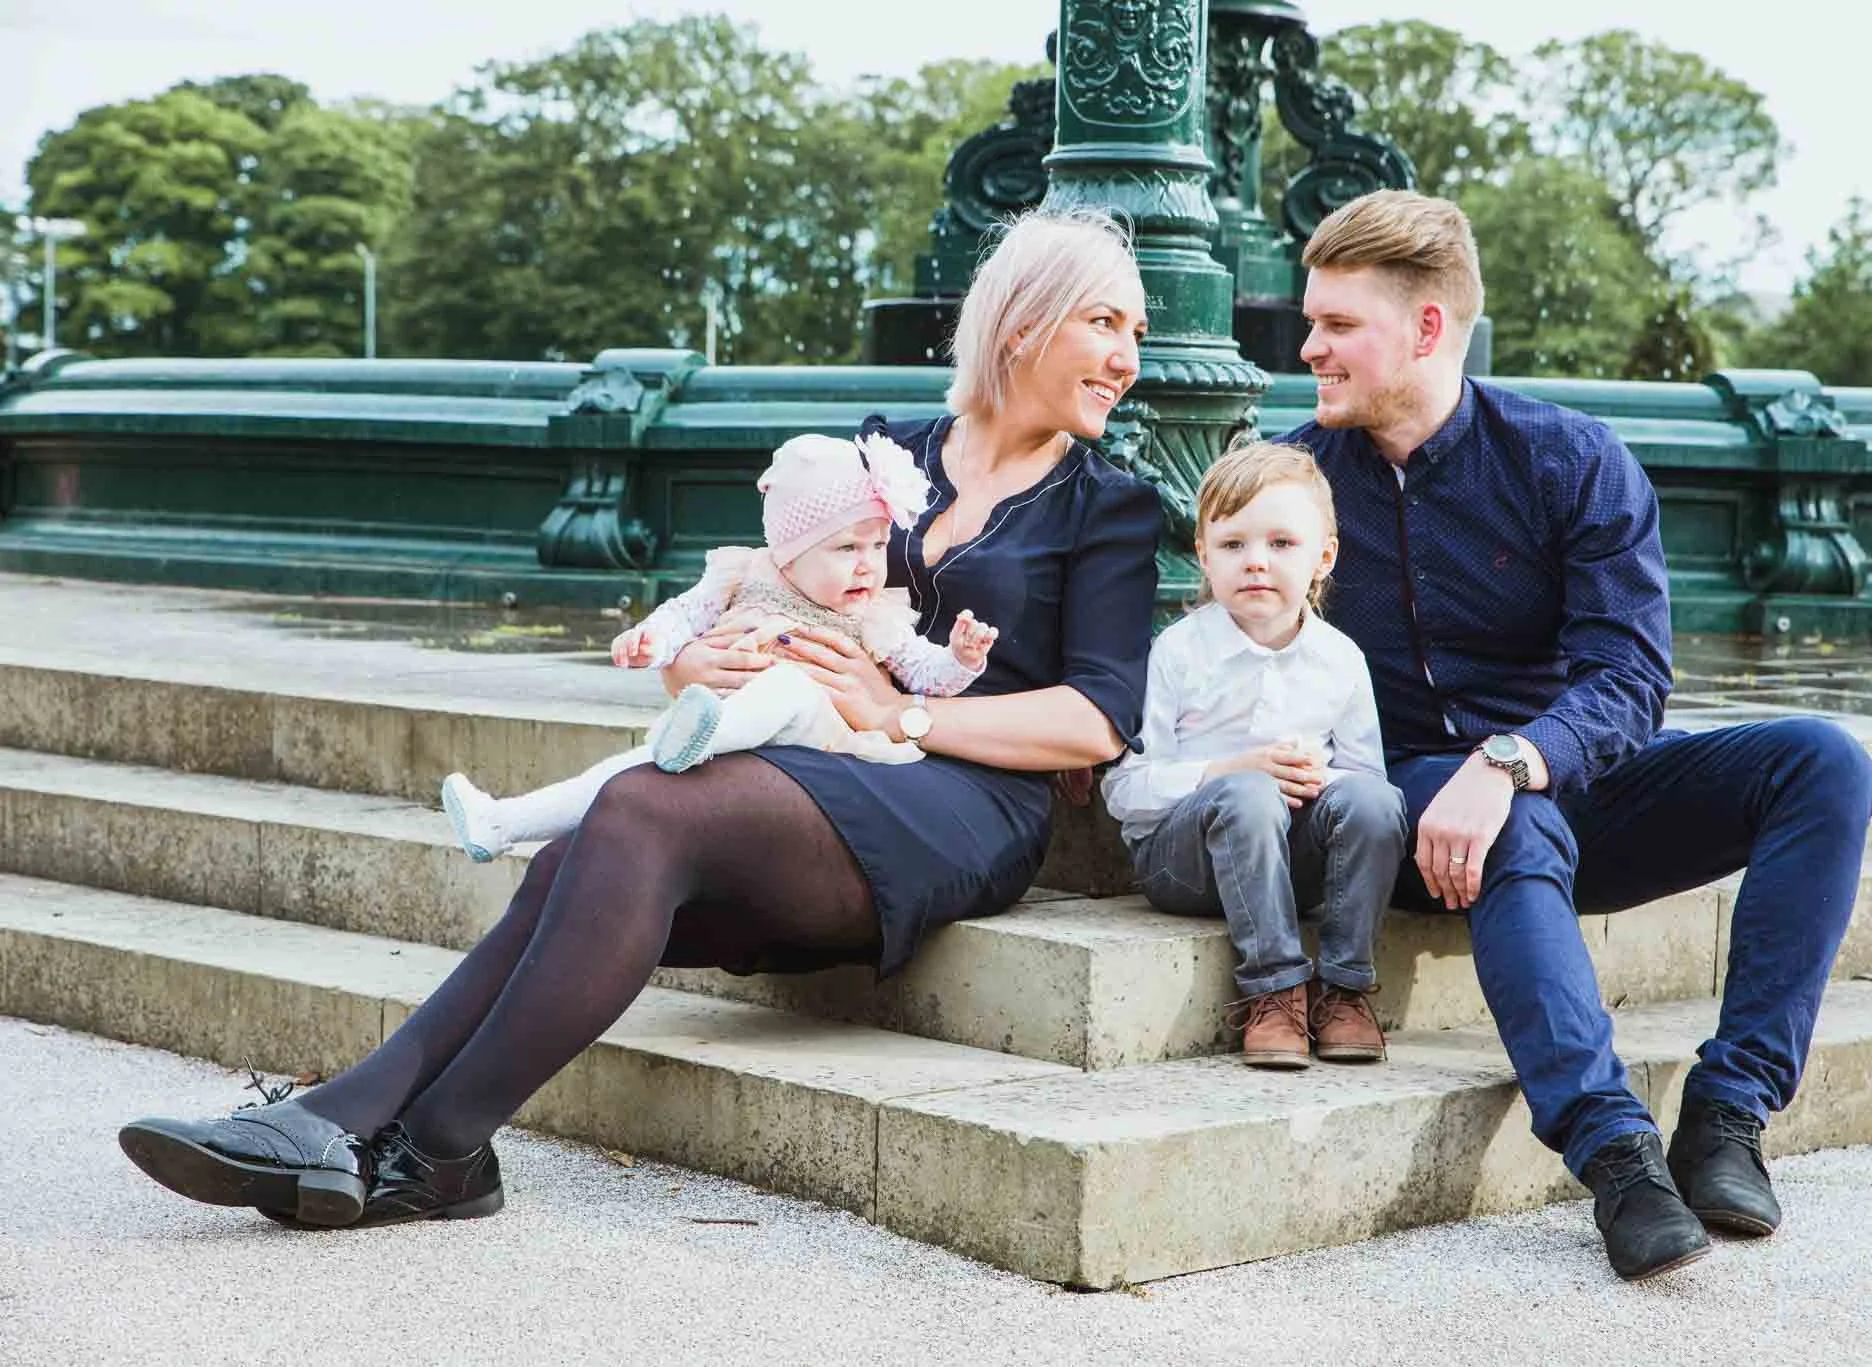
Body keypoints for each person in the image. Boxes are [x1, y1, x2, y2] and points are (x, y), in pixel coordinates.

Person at [115, 207, 1163, 1230]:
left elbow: (1097, 720)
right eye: (1105, 323)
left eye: (1138, 332)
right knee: (571, 855)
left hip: (962, 803)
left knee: (639, 809)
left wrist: (902, 711)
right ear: (1023, 323)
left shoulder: (1108, 504)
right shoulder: (886, 449)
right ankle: (372, 1129)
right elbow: (771, 589)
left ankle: (417, 1138)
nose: (1127, 358)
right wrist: (698, 662)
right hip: (806, 751)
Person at [1282, 189, 1872, 1281]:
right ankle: (1616, 1157)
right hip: (1399, 806)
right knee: (1514, 828)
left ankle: (1728, 1113)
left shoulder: (1568, 459)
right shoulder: (1293, 483)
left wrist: (1511, 759)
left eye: (1335, 324)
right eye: (1310, 320)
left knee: (1823, 762)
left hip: (1555, 778)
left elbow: (1629, 678)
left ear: (1426, 327)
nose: (1307, 346)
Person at [439, 430, 1000, 863]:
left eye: (877, 546)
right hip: (726, 726)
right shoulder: (744, 574)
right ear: (790, 552)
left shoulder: (874, 615)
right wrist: (653, 641)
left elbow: (925, 674)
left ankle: (695, 736)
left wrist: (961, 658)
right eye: (847, 548)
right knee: (629, 772)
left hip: (821, 739)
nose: (867, 566)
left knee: (788, 686)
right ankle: (503, 822)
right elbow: (684, 614)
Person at [1102, 442, 1406, 1069]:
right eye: (1233, 544)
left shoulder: (1341, 660)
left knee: (1377, 799)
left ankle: (1345, 988)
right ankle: (1275, 991)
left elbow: (1364, 787)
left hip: (1292, 864)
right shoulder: (1178, 653)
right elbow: (1126, 791)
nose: (1256, 562)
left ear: (1324, 557)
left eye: (1282, 543)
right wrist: (1230, 771)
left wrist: (1321, 779)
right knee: (1247, 793)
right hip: (1185, 867)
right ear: (1203, 556)